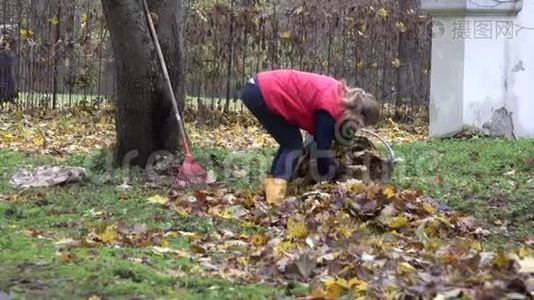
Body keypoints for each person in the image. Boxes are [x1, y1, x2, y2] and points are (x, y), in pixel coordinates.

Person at [241, 69, 380, 204]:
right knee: (293, 145)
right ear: (359, 115)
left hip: (257, 86)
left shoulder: (340, 96)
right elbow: (321, 148)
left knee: (289, 142)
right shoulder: (331, 108)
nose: (359, 128)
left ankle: (271, 186)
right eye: (362, 125)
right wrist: (331, 174)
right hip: (261, 92)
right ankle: (274, 198)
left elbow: (327, 132)